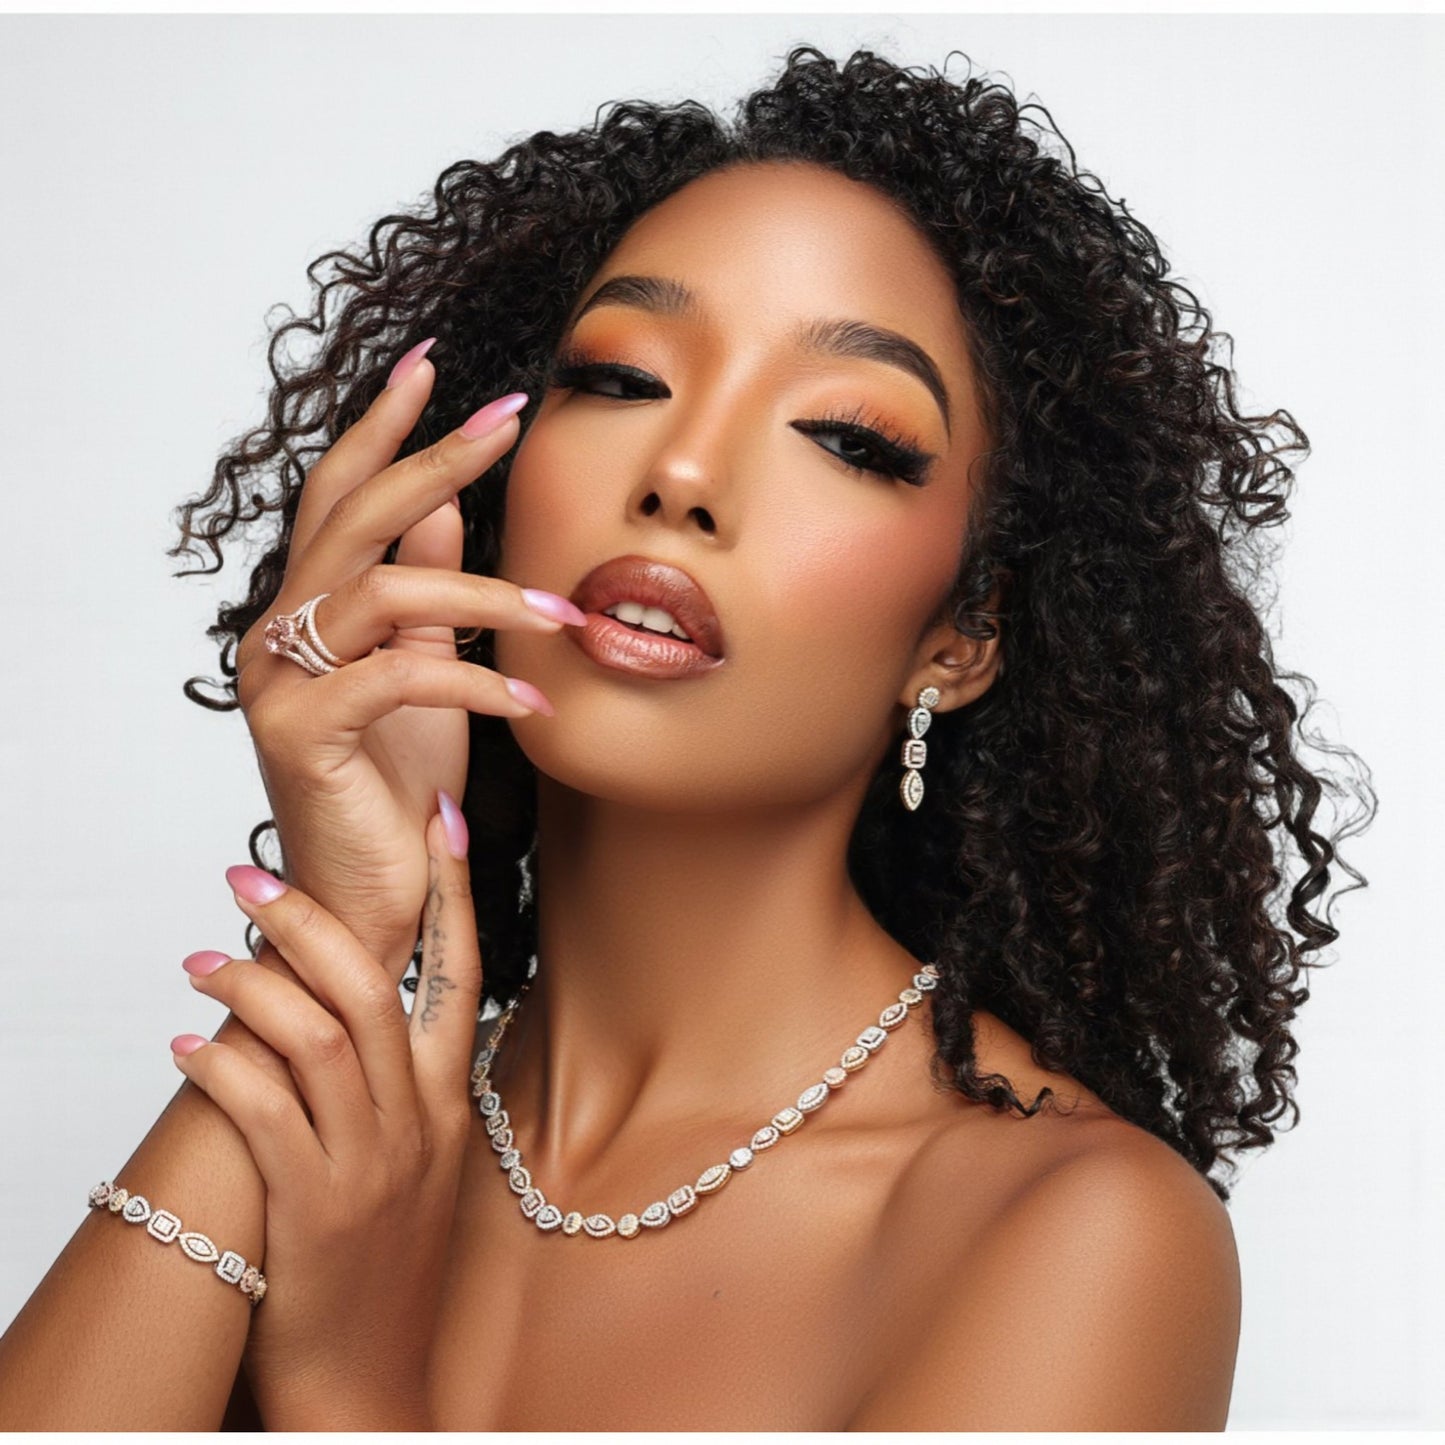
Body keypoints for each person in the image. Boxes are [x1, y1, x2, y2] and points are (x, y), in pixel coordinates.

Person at [0, 44, 1372, 1430]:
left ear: (959, 634)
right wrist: (352, 923)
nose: (684, 472)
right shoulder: (351, 1130)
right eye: (619, 376)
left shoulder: (1076, 1230)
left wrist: (347, 1379)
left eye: (845, 434)